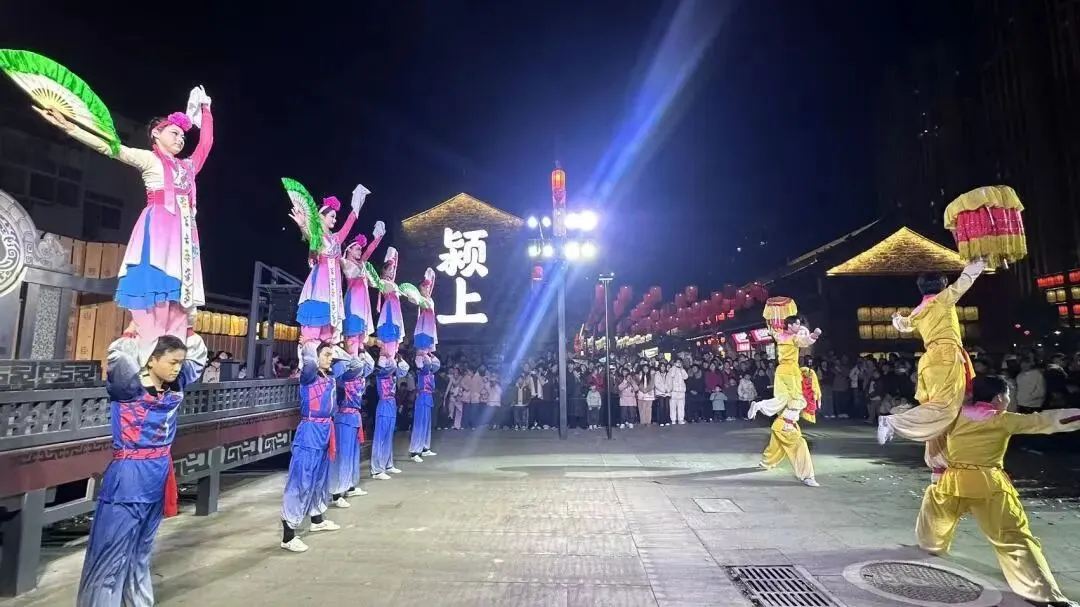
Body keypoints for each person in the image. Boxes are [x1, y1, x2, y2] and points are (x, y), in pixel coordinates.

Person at [36, 89, 212, 353]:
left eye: (183, 136)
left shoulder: (188, 167)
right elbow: (111, 147)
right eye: (174, 133)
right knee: (154, 285)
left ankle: (172, 351)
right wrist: (70, 127)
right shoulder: (149, 159)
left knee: (179, 295)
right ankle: (146, 344)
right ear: (156, 134)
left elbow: (206, 144)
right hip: (160, 228)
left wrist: (207, 110)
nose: (180, 139)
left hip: (185, 235)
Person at [915, 374, 1080, 607]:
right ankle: (1042, 593)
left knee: (935, 510)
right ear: (999, 398)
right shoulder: (1002, 420)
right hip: (988, 485)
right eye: (1008, 396)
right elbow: (1045, 421)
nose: (1009, 401)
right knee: (1013, 537)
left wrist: (893, 419)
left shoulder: (955, 415)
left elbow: (922, 419)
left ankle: (929, 546)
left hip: (951, 481)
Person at [77, 324, 208, 606]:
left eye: (180, 362)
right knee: (112, 551)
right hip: (130, 474)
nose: (177, 368)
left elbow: (197, 358)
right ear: (151, 359)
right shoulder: (129, 386)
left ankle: (137, 602)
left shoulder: (176, 385)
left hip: (158, 472)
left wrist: (186, 323)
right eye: (172, 362)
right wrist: (136, 330)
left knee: (142, 549)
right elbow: (120, 358)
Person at [879, 258, 987, 481]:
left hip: (929, 361)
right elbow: (966, 280)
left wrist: (897, 318)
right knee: (946, 408)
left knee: (939, 411)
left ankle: (939, 468)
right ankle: (894, 422)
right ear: (943, 285)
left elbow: (903, 325)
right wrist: (980, 262)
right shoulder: (943, 299)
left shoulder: (919, 310)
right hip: (946, 358)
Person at [280, 341, 355, 552]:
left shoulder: (330, 377)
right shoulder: (308, 376)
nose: (330, 358)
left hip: (326, 430)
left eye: (332, 355)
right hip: (310, 430)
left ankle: (317, 519)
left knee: (320, 478)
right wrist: (311, 342)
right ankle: (288, 535)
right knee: (301, 479)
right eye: (326, 354)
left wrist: (337, 345)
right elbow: (310, 363)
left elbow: (353, 364)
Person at [748, 315, 822, 487]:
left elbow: (776, 332)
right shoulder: (793, 338)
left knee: (782, 400)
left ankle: (767, 461)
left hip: (781, 372)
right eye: (797, 324)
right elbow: (804, 341)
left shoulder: (780, 336)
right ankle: (807, 475)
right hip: (790, 375)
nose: (799, 326)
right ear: (790, 325)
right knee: (796, 402)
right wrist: (815, 335)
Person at [290, 186, 367, 346]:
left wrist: (358, 201)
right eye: (332, 216)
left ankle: (323, 359)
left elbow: (350, 222)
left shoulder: (337, 238)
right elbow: (310, 237)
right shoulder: (318, 237)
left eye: (335, 217)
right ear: (321, 217)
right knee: (312, 335)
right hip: (319, 288)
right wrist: (302, 225)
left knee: (327, 340)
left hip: (333, 292)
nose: (335, 220)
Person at [329, 347, 375, 507]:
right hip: (343, 418)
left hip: (354, 417)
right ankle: (336, 493)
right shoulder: (342, 375)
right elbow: (357, 365)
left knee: (353, 455)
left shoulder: (359, 375)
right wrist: (351, 352)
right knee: (342, 456)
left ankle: (349, 485)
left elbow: (370, 364)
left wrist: (362, 350)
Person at [340, 222, 386, 355]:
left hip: (363, 305)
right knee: (352, 337)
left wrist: (378, 238)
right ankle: (352, 359)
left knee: (361, 338)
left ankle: (359, 359)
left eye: (361, 249)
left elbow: (369, 252)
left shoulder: (361, 265)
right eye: (357, 249)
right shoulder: (345, 262)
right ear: (349, 249)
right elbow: (358, 266)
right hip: (353, 303)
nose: (360, 251)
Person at [371, 354, 410, 479]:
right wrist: (388, 356)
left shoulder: (392, 372)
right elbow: (388, 367)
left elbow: (404, 369)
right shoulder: (382, 370)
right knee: (381, 438)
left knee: (389, 436)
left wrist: (400, 359)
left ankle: (388, 464)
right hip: (384, 404)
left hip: (392, 404)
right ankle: (377, 470)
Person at [408, 352, 441, 461]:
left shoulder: (431, 371)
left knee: (426, 424)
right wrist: (423, 353)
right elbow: (424, 362)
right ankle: (414, 452)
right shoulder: (422, 370)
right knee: (419, 425)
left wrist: (431, 354)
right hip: (422, 397)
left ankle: (425, 448)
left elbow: (437, 364)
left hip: (428, 397)